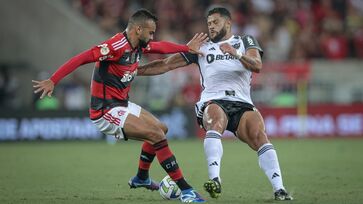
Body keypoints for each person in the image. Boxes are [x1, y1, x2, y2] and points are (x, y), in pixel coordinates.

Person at [32, 9, 207, 203]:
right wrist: (53, 80)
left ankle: (141, 178)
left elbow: (160, 47)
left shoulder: (139, 45)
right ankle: (186, 190)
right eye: (150, 32)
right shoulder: (114, 46)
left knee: (161, 129)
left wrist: (185, 47)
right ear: (138, 29)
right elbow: (81, 58)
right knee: (156, 135)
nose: (152, 37)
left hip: (122, 104)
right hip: (105, 111)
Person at [135, 7, 293, 201]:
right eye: (209, 23)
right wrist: (135, 70)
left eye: (215, 22)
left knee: (259, 135)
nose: (211, 26)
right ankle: (215, 180)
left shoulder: (245, 41)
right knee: (216, 118)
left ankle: (280, 190)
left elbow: (257, 65)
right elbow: (166, 64)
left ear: (228, 23)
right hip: (213, 100)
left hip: (242, 103)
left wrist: (235, 54)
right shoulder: (201, 46)